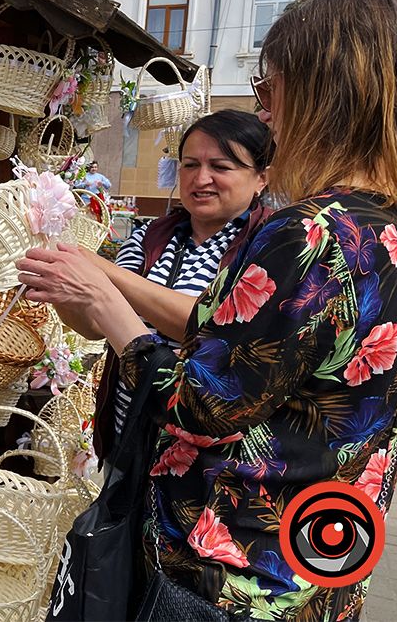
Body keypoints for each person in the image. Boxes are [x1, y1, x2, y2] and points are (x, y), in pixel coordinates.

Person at [18, 0, 397, 619]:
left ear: (323, 92)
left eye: (270, 91)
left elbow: (200, 405)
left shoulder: (309, 234)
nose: (267, 116)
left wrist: (113, 315)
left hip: (231, 572)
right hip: (320, 560)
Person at [61, 110, 274, 459]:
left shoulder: (265, 246)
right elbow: (96, 326)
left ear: (261, 178)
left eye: (220, 167)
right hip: (126, 432)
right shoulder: (153, 236)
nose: (200, 178)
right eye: (189, 165)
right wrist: (62, 289)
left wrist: (100, 269)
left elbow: (207, 323)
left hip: (199, 455)